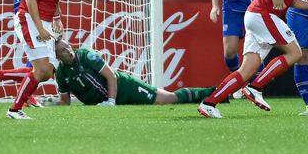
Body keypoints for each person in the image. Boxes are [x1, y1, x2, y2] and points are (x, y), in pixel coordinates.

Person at [3, 0, 81, 119]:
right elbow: (30, 0)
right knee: (43, 70)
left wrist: (56, 18)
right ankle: (14, 110)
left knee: (46, 72)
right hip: (28, 17)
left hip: (44, 20)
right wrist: (40, 29)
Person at [53, 40, 215, 106]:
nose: (68, 50)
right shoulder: (61, 73)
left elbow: (112, 76)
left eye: (67, 46)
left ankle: (212, 94)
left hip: (123, 87)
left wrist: (110, 101)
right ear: (57, 56)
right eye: (63, 50)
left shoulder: (86, 55)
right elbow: (65, 102)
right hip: (107, 103)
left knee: (169, 99)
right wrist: (53, 104)